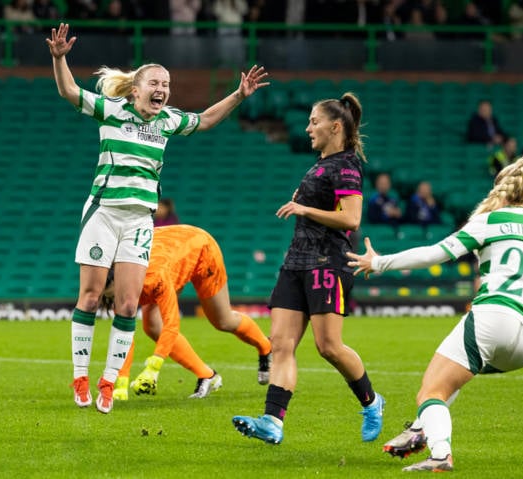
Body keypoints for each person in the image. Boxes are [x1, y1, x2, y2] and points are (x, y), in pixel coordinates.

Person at [346, 157, 523, 472]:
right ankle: (420, 428)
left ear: (501, 189)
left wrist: (378, 263)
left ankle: (440, 454)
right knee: (455, 374)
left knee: (431, 391)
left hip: (493, 318)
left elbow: (436, 253)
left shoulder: (490, 221)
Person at [46, 23, 269, 414]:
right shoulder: (112, 110)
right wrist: (59, 58)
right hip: (104, 213)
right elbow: (68, 92)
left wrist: (237, 95)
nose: (162, 88)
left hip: (139, 221)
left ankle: (107, 383)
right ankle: (80, 378)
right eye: (155, 82)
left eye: (166, 83)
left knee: (129, 305)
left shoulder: (167, 120)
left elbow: (204, 120)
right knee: (91, 295)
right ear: (136, 89)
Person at [232, 92, 385, 445]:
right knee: (280, 344)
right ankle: (272, 421)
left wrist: (304, 210)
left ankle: (372, 401)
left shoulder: (346, 165)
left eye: (314, 122)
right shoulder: (320, 163)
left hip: (328, 262)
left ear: (335, 126)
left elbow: (351, 218)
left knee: (328, 346)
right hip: (296, 262)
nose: (307, 128)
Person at [98, 225, 273, 400]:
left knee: (223, 321)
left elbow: (172, 324)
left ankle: (266, 347)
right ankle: (207, 375)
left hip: (201, 249)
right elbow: (124, 335)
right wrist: (121, 383)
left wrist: (153, 368)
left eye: (116, 292)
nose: (117, 298)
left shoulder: (154, 277)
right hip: (172, 256)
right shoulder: (116, 281)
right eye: (112, 296)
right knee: (152, 326)